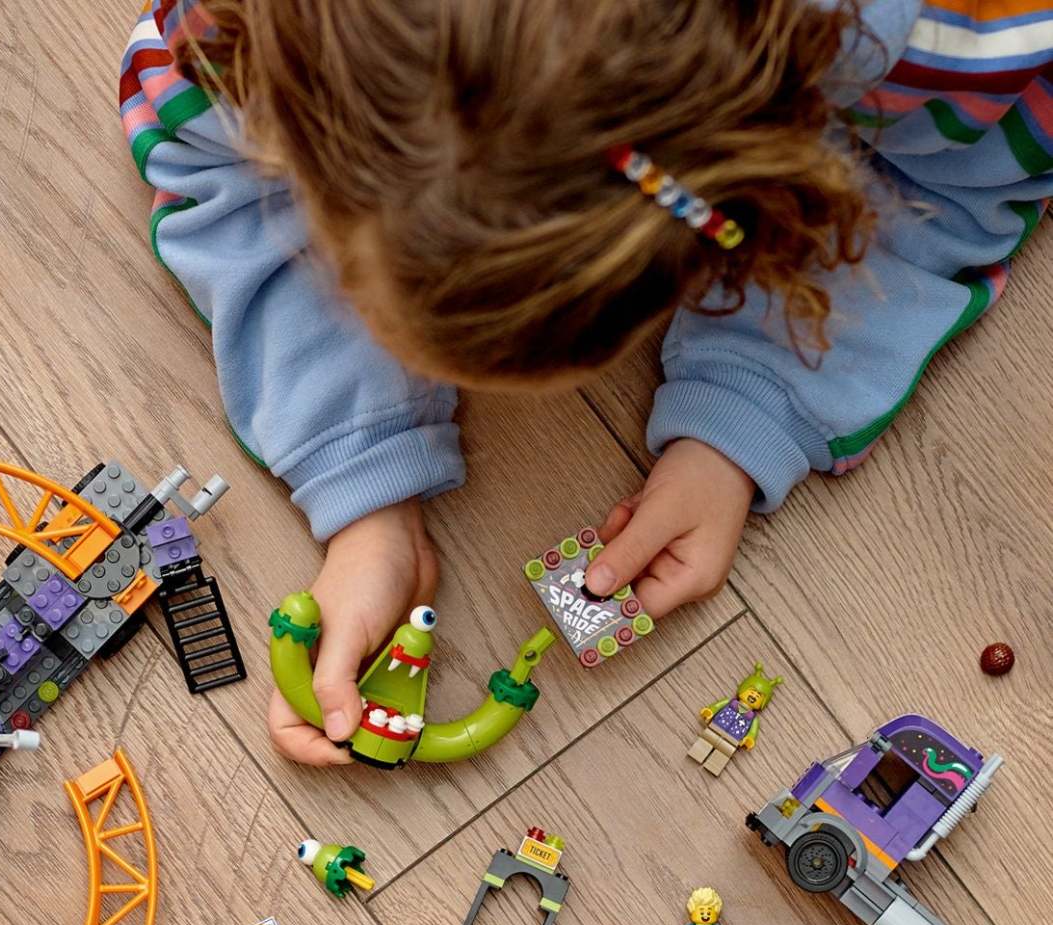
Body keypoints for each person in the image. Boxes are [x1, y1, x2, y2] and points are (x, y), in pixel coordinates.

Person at [120, 0, 1050, 764]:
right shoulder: (262, 25)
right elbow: (206, 137)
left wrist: (749, 405)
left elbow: (937, 198)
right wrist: (361, 476)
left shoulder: (968, 47)